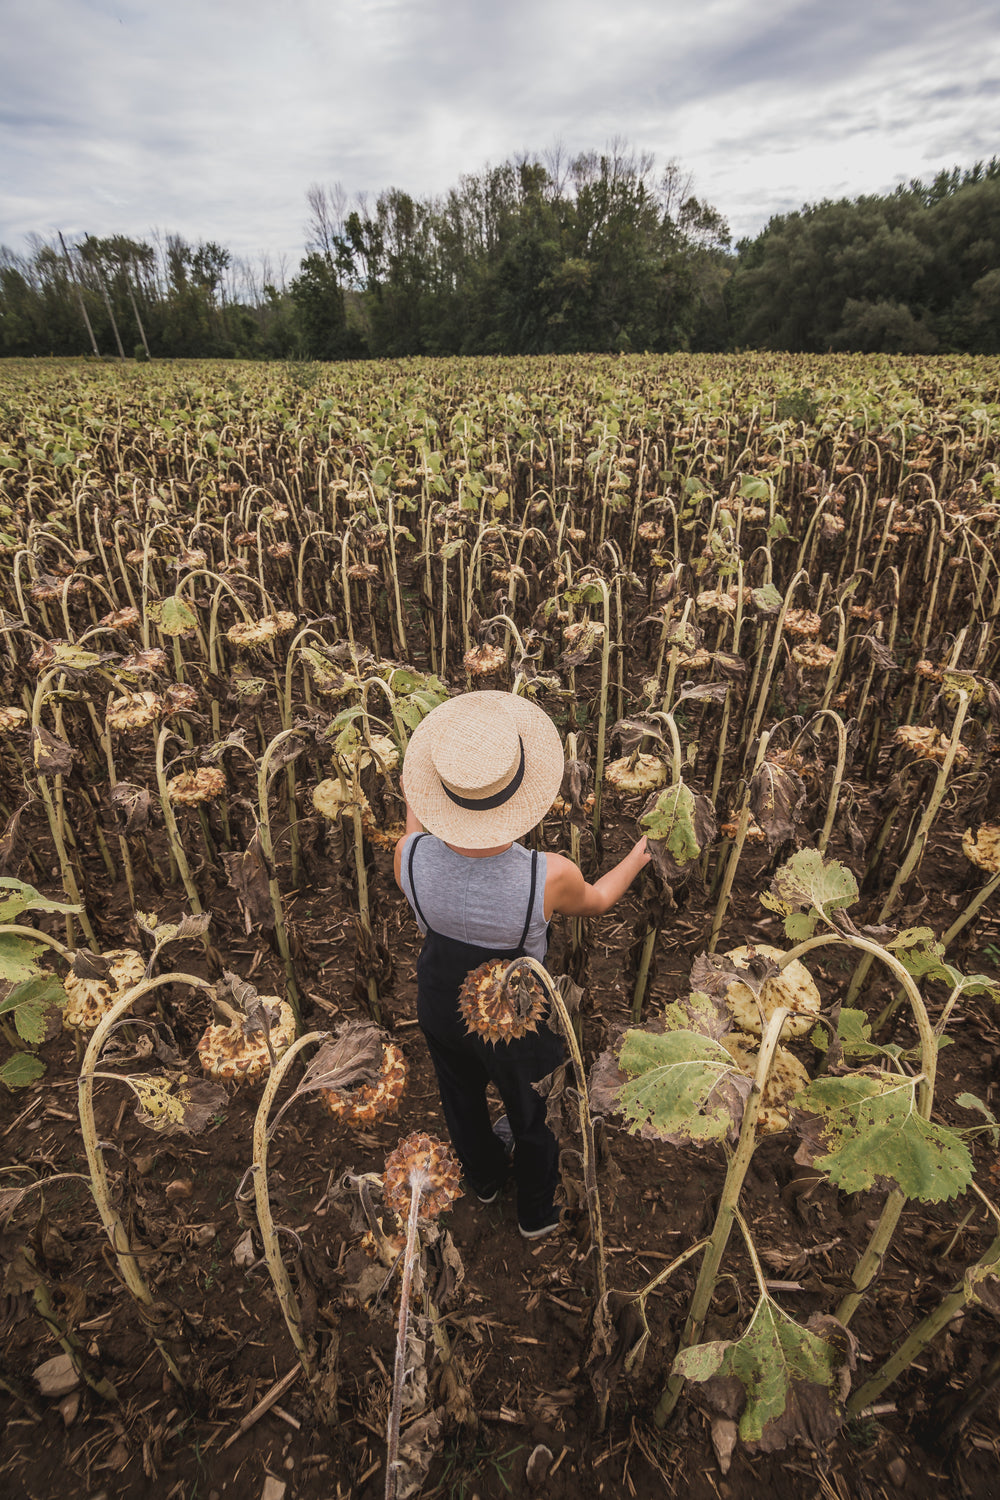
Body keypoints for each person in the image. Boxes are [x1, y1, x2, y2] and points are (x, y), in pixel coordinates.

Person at [393, 690, 650, 1239]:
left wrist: (417, 796)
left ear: (441, 795)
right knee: (533, 1112)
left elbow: (414, 826)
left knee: (458, 1097)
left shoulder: (408, 857)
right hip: (515, 1014)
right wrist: (638, 855)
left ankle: (483, 1177)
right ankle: (535, 1212)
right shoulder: (545, 875)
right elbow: (600, 900)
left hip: (439, 1001)